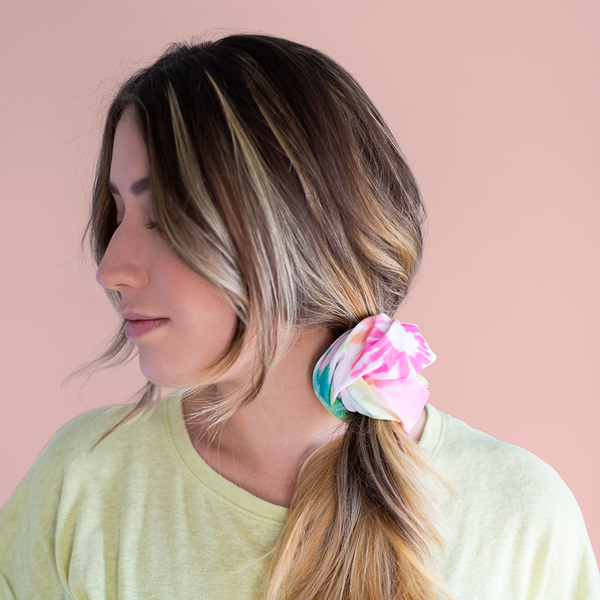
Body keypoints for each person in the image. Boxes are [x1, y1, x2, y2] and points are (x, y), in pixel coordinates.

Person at [0, 33, 598, 600]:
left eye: (162, 217)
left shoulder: (521, 518)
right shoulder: (83, 487)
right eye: (118, 214)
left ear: (296, 231)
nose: (110, 267)